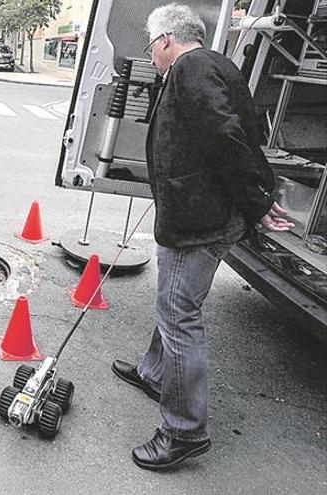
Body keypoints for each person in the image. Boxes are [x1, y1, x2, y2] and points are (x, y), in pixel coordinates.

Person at [110, 3, 294, 471]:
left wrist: (256, 200)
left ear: (167, 39)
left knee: (178, 314)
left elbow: (228, 139)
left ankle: (183, 431)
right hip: (203, 209)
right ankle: (156, 373)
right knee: (175, 304)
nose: (151, 55)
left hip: (200, 221)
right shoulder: (214, 65)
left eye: (152, 45)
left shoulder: (191, 70)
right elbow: (230, 137)